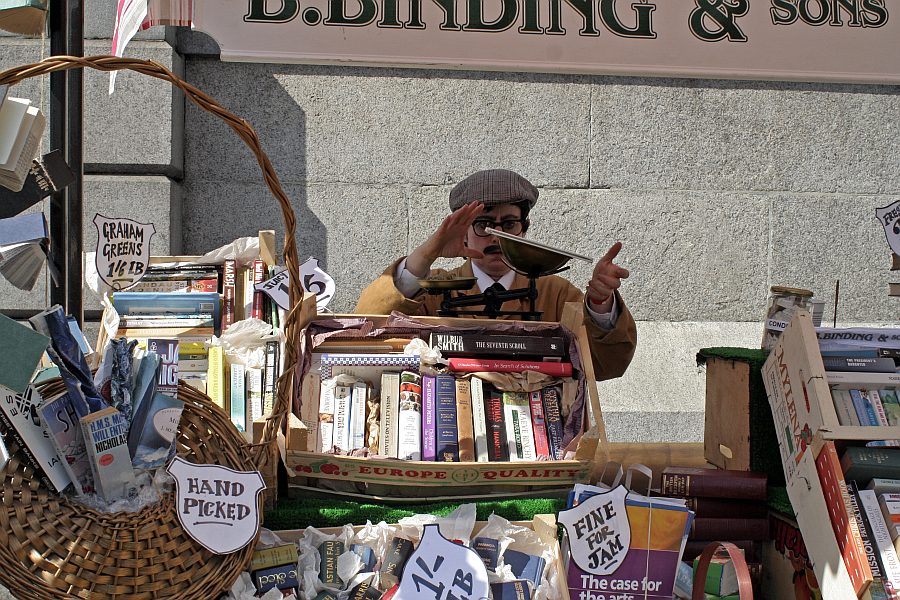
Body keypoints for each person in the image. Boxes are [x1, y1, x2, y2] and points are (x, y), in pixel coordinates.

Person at [355, 169, 637, 380]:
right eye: (483, 225)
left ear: (524, 230)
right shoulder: (433, 289)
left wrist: (600, 304)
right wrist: (426, 254)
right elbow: (365, 332)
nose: (496, 236)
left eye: (509, 224)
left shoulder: (556, 294)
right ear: (463, 234)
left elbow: (607, 366)